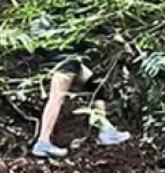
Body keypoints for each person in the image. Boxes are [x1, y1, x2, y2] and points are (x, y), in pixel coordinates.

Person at [29, 18, 132, 158]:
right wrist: (116, 37)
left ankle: (106, 130)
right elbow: (94, 22)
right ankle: (42, 142)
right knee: (57, 98)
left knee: (96, 85)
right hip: (64, 60)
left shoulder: (50, 13)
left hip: (70, 61)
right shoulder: (71, 11)